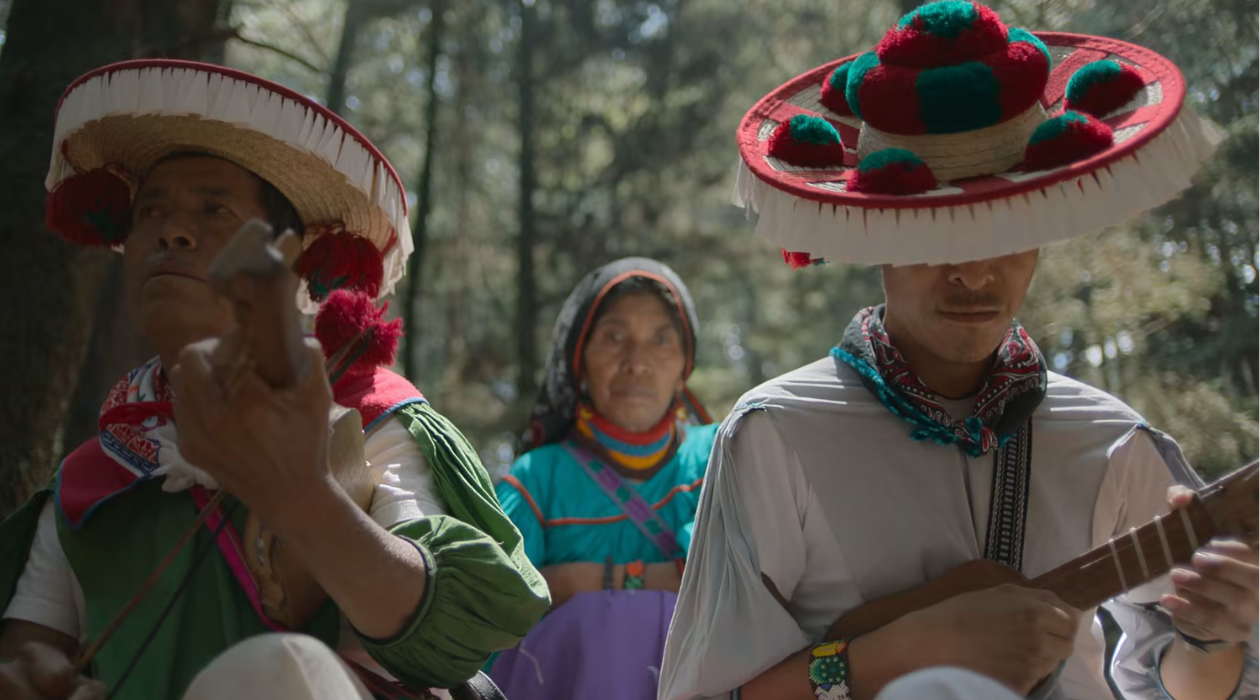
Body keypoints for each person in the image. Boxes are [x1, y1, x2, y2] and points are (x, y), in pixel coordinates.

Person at [660, 3, 1257, 700]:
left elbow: (1192, 686)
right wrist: (896, 654)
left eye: (1005, 226)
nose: (974, 272)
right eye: (933, 233)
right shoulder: (775, 434)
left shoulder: (1113, 441)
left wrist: (1211, 636)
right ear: (875, 234)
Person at [0, 60, 548, 700]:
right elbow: (27, 655)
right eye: (151, 211)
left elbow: (457, 629)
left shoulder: (372, 421)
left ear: (295, 266)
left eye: (217, 211)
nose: (173, 230)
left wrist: (302, 495)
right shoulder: (93, 477)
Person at [487, 258, 717, 700]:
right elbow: (494, 611)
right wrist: (658, 577)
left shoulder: (720, 458)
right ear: (580, 358)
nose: (637, 362)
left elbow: (725, 587)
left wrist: (577, 582)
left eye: (661, 339)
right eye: (614, 337)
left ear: (684, 364)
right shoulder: (536, 481)